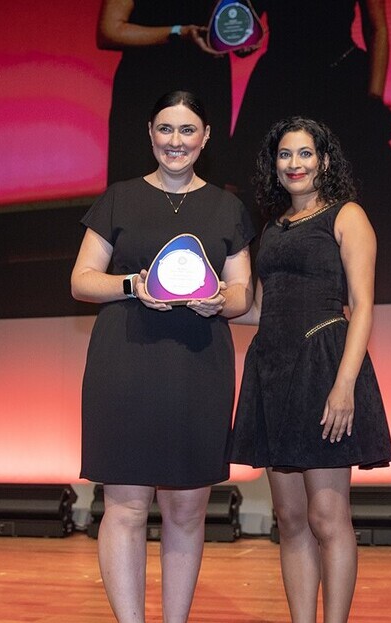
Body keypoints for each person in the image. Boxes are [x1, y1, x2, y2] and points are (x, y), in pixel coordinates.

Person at [71, 90, 254, 623]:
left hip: (198, 365)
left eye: (188, 130)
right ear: (150, 133)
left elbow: (244, 293)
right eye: (166, 130)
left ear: (206, 138)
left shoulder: (227, 206)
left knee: (186, 508)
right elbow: (81, 280)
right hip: (126, 361)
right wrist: (133, 283)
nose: (176, 141)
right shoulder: (119, 198)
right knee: (125, 505)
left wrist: (222, 299)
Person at [228, 117, 391, 623]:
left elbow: (363, 306)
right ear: (273, 166)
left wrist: (344, 385)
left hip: (323, 370)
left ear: (324, 161)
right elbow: (257, 307)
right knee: (291, 518)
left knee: (327, 518)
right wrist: (207, 298)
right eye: (284, 155)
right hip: (272, 372)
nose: (294, 164)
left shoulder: (347, 217)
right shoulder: (271, 230)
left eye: (304, 154)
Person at [227, 0, 391, 201]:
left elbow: (376, 29)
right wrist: (239, 37)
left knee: (355, 190)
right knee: (270, 194)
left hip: (341, 84)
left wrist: (374, 101)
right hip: (280, 85)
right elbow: (242, 28)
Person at [98, 0, 233, 187]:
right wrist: (179, 32)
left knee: (204, 181)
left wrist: (240, 38)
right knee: (138, 180)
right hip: (149, 83)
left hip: (206, 80)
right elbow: (109, 31)